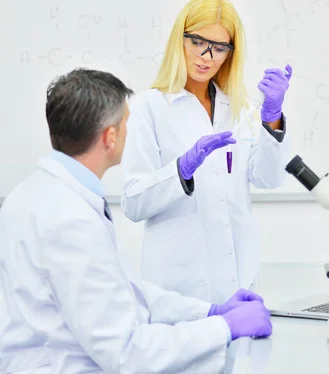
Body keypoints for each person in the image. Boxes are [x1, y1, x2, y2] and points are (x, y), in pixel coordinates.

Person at [0, 68, 272, 373]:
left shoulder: (39, 193)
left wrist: (209, 311)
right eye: (127, 121)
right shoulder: (68, 221)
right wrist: (223, 327)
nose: (131, 130)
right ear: (110, 137)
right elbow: (126, 352)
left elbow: (122, 291)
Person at [120, 0, 293, 304]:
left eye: (219, 47)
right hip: (178, 288)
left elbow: (269, 178)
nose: (206, 56)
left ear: (230, 53)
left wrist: (272, 118)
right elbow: (133, 202)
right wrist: (181, 171)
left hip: (239, 281)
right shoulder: (149, 107)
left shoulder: (236, 107)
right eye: (197, 42)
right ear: (179, 39)